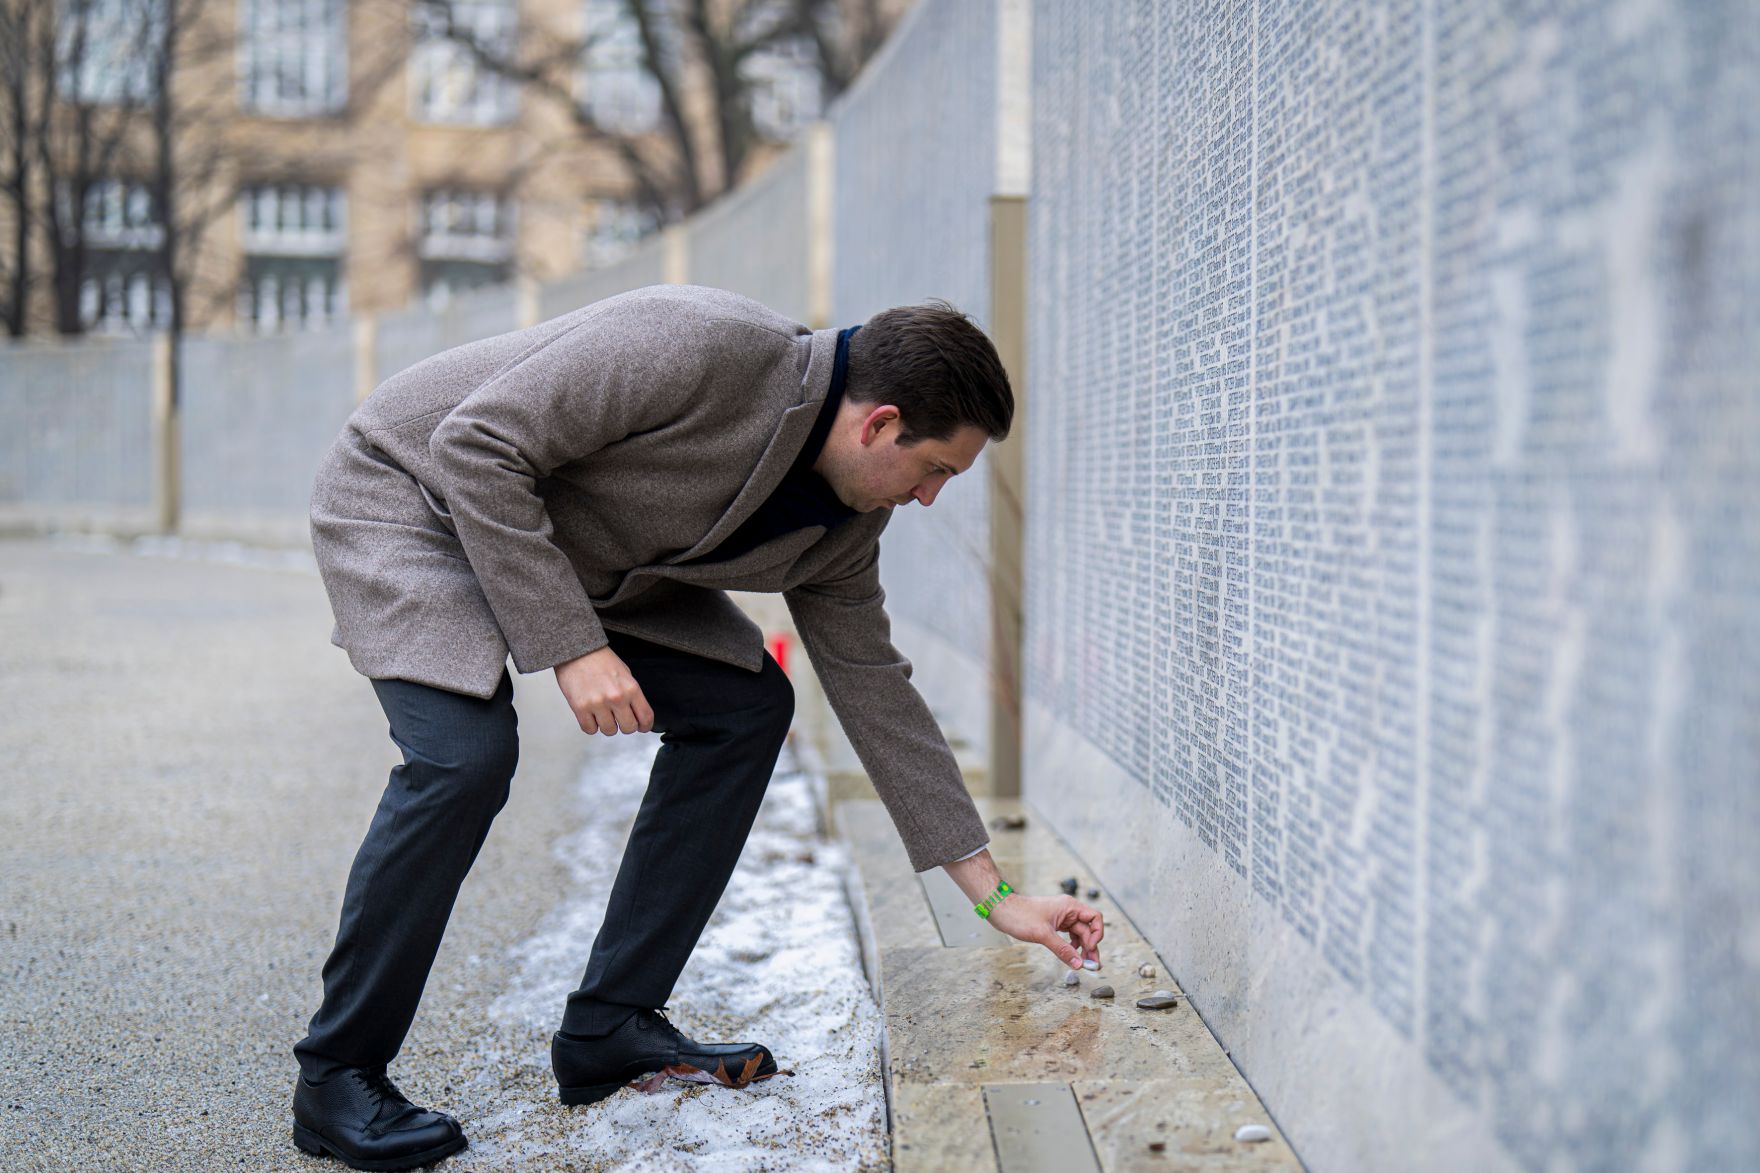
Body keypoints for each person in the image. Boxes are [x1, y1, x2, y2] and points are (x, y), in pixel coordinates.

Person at [290, 284, 1105, 1170]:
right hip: (416, 495)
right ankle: (337, 1072)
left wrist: (995, 894)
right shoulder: (699, 344)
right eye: (937, 470)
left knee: (745, 704)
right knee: (463, 759)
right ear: (880, 425)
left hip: (569, 554)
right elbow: (474, 446)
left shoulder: (844, 530)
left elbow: (876, 689)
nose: (931, 498)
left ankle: (609, 1023)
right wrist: (573, 648)